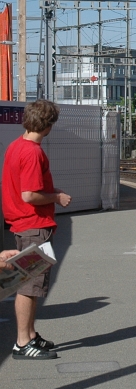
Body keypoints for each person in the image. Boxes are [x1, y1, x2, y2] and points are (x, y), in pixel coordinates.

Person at [1, 100, 71, 360]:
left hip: (24, 224)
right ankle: (22, 342)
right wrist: (56, 197)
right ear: (49, 125)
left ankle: (30, 334)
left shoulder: (16, 146)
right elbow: (29, 195)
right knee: (30, 285)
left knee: (29, 283)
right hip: (33, 225)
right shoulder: (33, 153)